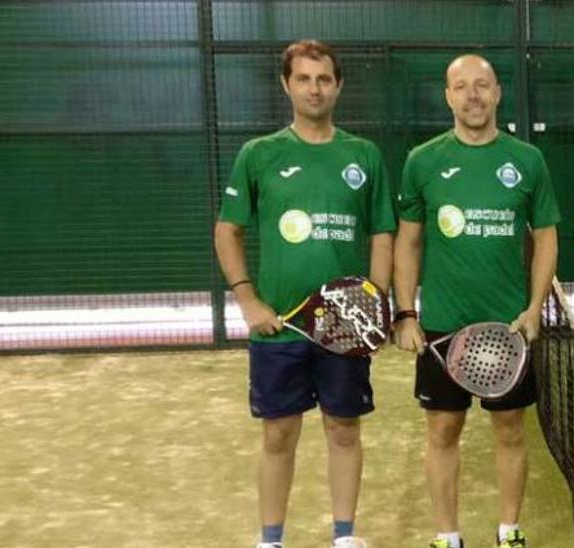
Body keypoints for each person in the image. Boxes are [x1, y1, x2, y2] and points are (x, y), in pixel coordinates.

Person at [214, 40, 396, 548]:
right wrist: (248, 299)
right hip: (280, 330)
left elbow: (383, 232)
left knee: (343, 429)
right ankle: (270, 540)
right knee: (278, 434)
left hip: (343, 325)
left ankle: (344, 536)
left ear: (338, 86)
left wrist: (374, 301)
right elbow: (227, 230)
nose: (314, 88)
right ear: (286, 85)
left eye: (323, 79)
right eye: (304, 79)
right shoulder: (259, 154)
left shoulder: (363, 155)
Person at [392, 53, 560, 548]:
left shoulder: (527, 160)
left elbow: (546, 237)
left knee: (510, 429)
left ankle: (509, 530)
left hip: (508, 328)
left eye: (482, 85)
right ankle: (448, 535)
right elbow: (408, 242)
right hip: (442, 329)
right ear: (448, 96)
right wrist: (405, 313)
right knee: (443, 432)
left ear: (497, 93)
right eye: (461, 86)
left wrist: (533, 308)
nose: (472, 95)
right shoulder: (422, 160)